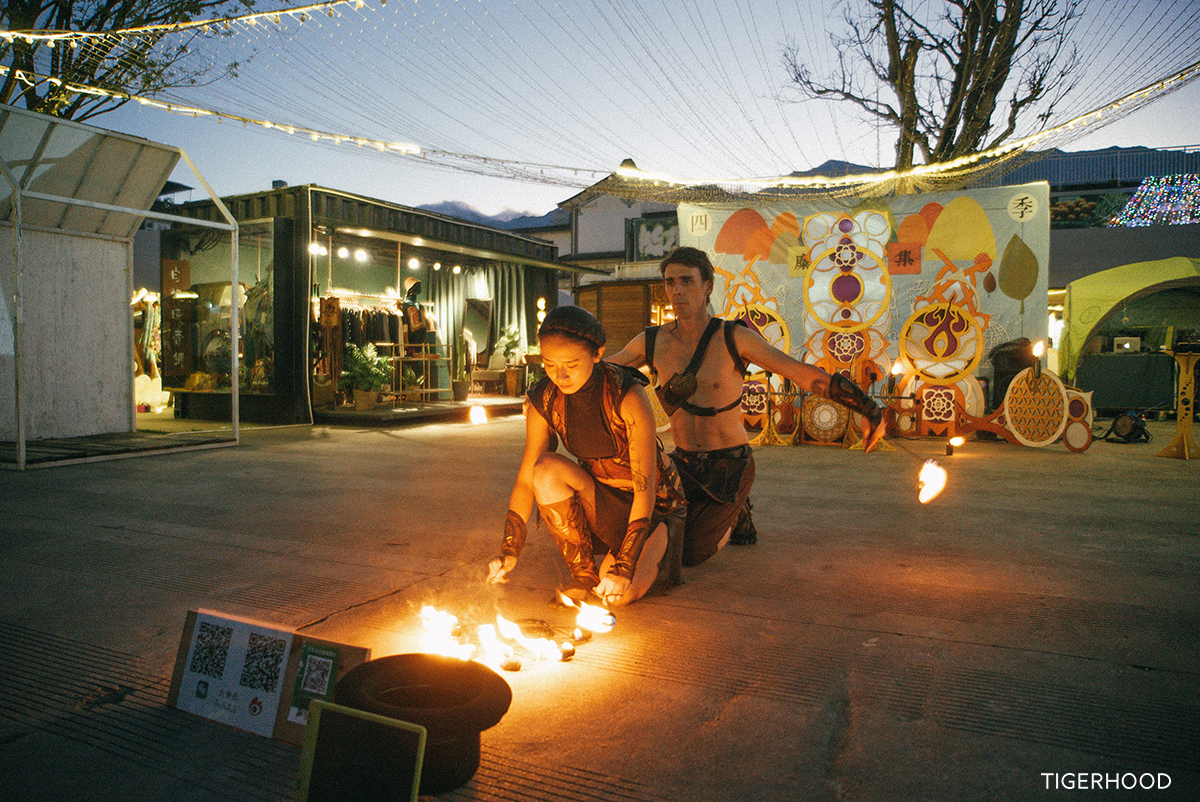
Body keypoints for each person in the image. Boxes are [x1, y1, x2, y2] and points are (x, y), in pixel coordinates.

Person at [607, 246, 885, 567]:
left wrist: (865, 405)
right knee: (642, 533)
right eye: (670, 283)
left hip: (729, 464)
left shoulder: (733, 337)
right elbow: (601, 374)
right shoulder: (651, 341)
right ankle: (724, 513)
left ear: (708, 285)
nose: (677, 291)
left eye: (687, 281)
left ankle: (737, 509)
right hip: (681, 461)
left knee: (690, 553)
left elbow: (800, 373)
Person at [486, 306, 684, 607]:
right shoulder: (545, 398)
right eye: (549, 364)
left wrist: (625, 566)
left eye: (571, 364)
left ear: (598, 353)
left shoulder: (628, 395)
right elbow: (527, 480)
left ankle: (653, 549)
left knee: (620, 594)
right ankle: (583, 574)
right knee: (544, 470)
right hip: (602, 498)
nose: (560, 375)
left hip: (655, 506)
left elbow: (646, 487)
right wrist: (509, 550)